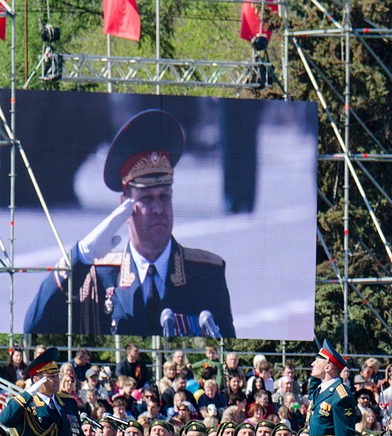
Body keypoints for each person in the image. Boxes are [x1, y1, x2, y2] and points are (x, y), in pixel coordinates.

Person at [23, 109, 235, 338]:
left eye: (165, 196)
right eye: (146, 198)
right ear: (124, 205)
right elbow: (34, 327)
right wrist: (80, 256)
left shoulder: (205, 275)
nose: (158, 208)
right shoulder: (99, 278)